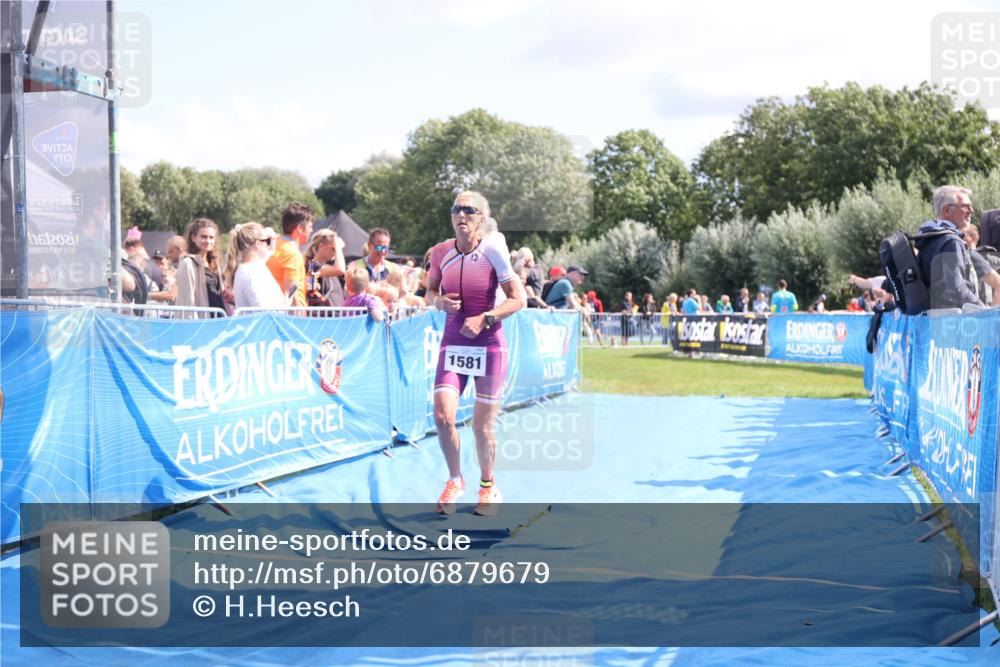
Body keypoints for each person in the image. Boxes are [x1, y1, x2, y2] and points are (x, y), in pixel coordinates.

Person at [425, 191, 526, 517]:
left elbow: (518, 299)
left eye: (469, 210)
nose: (461, 214)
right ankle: (455, 479)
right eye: (456, 209)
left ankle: (487, 486)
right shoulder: (441, 252)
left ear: (482, 218)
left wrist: (487, 317)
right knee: (442, 417)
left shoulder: (494, 250)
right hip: (453, 343)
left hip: (489, 345)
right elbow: (429, 291)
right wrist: (439, 302)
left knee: (481, 426)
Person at [916, 185, 981, 310]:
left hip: (934, 318)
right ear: (946, 211)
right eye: (965, 206)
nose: (971, 210)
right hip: (952, 322)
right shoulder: (951, 242)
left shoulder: (930, 239)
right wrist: (981, 307)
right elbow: (957, 288)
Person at [225, 222, 286, 310]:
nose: (269, 245)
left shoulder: (252, 268)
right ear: (258, 244)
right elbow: (263, 311)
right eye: (267, 241)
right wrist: (285, 305)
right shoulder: (252, 273)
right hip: (264, 323)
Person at [175, 217, 227, 317]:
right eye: (204, 236)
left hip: (219, 320)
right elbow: (187, 301)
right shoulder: (187, 264)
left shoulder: (215, 262)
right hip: (201, 323)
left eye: (211, 237)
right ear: (193, 238)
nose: (208, 241)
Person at [267, 202, 314, 307]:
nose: (311, 230)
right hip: (291, 318)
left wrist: (304, 285)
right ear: (300, 229)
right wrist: (299, 318)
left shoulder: (276, 245)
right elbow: (291, 292)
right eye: (310, 226)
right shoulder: (292, 254)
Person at [303, 229, 347, 308]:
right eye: (333, 249)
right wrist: (338, 247)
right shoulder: (312, 266)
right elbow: (340, 270)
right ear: (321, 246)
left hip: (334, 317)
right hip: (322, 318)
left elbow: (350, 268)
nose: (335, 253)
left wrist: (365, 261)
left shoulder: (329, 266)